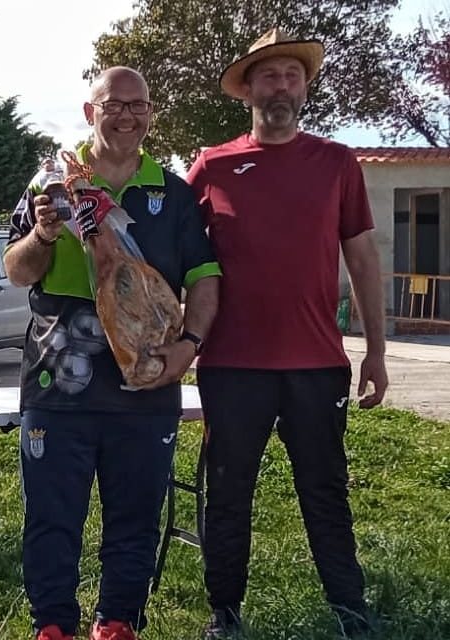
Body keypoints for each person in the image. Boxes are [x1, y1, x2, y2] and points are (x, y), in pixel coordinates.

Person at [3, 66, 221, 640]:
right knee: (52, 518)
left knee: (136, 515)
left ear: (150, 113)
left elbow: (203, 278)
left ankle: (118, 622)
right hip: (58, 380)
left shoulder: (172, 192)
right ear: (89, 112)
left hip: (146, 379)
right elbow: (17, 270)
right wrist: (44, 237)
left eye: (138, 105)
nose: (126, 116)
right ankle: (52, 625)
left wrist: (189, 348)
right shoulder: (49, 183)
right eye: (113, 105)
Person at [185, 28, 389, 638]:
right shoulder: (212, 166)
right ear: (248, 88)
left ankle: (350, 609)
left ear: (305, 86)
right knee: (228, 493)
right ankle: (224, 611)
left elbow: (362, 257)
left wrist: (376, 349)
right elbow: (179, 262)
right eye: (269, 76)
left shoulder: (336, 162)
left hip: (316, 363)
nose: (282, 86)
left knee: (325, 491)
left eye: (292, 75)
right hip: (232, 365)